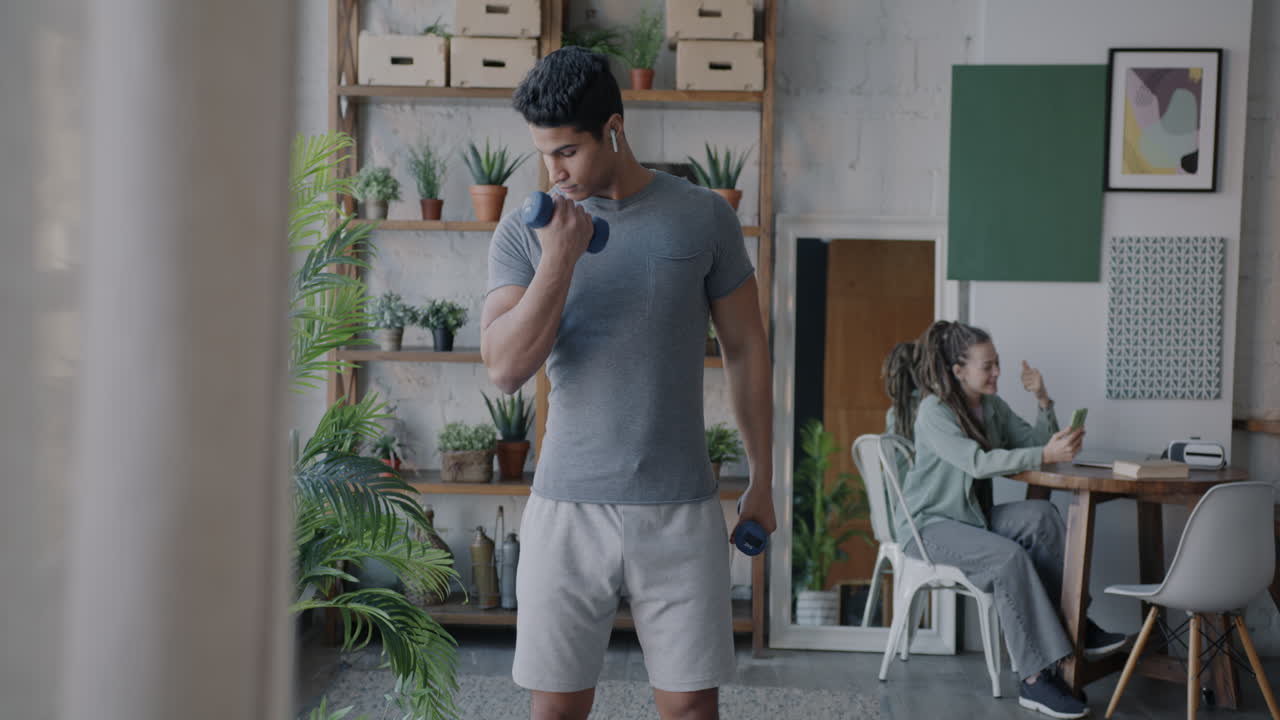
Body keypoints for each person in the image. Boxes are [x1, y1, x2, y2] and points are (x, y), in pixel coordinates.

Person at [480, 47, 775, 720]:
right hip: (566, 508)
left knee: (691, 710)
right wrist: (559, 257)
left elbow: (746, 347)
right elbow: (503, 368)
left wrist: (762, 477)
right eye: (543, 154)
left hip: (679, 507)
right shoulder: (529, 229)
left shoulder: (703, 216)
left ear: (614, 128)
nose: (553, 172)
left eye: (567, 152)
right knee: (555, 712)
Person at [890, 320, 1126, 719]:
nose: (997, 372)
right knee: (1007, 557)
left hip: (970, 518)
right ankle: (1034, 679)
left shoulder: (991, 406)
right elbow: (978, 463)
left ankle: (1076, 624)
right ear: (958, 370)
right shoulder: (935, 411)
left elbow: (1034, 445)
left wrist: (1044, 402)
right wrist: (1044, 455)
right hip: (928, 526)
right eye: (988, 366)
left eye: (997, 362)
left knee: (1042, 516)